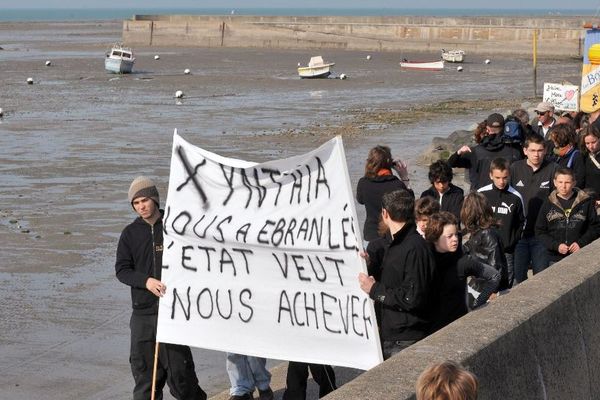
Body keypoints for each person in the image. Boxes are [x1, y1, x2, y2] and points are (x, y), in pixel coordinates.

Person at [115, 176, 207, 400]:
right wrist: (145, 281)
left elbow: (198, 259)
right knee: (145, 376)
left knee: (182, 376)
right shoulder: (129, 233)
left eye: (145, 200)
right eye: (136, 203)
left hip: (173, 311)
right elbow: (122, 270)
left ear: (155, 199)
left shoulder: (175, 226)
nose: (141, 207)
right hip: (143, 314)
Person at [358, 189, 436, 359]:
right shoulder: (396, 244)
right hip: (395, 331)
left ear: (385, 213)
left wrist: (374, 289)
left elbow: (412, 297)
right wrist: (370, 265)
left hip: (405, 337)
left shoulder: (414, 247)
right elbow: (395, 279)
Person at [425, 212, 500, 333]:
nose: (455, 239)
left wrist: (477, 303)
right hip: (430, 328)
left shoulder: (462, 262)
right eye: (449, 236)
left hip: (456, 326)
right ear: (435, 238)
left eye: (456, 235)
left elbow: (494, 276)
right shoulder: (424, 258)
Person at [509, 134, 558, 284]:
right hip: (519, 235)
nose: (536, 154)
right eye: (532, 150)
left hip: (542, 235)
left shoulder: (553, 168)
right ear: (525, 151)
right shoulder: (515, 168)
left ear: (545, 151)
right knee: (518, 279)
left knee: (541, 278)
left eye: (540, 150)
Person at [477, 158, 525, 288]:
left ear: (508, 175)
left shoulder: (516, 197)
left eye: (504, 178)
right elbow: (473, 218)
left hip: (506, 251)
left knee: (505, 284)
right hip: (484, 249)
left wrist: (512, 241)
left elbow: (522, 222)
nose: (501, 181)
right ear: (490, 175)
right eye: (497, 177)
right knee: (482, 283)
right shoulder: (481, 194)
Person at [535, 168, 599, 265]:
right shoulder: (548, 203)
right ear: (555, 182)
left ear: (574, 183)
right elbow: (540, 231)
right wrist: (556, 246)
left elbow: (595, 227)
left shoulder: (586, 202)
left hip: (580, 255)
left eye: (567, 182)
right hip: (554, 257)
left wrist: (581, 243)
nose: (563, 186)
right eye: (560, 182)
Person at [448, 113, 522, 191]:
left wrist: (458, 153)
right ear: (504, 128)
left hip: (481, 197)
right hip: (507, 195)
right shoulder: (515, 150)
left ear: (487, 129)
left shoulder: (475, 151)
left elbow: (451, 163)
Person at [356, 145, 412, 243]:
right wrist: (404, 177)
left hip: (370, 235)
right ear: (390, 164)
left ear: (370, 162)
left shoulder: (363, 183)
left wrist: (368, 172)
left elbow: (360, 200)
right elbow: (410, 204)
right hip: (391, 235)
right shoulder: (397, 184)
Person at [460, 193, 508, 301]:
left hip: (486, 288)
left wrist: (490, 292)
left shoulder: (487, 234)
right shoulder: (479, 232)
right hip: (479, 283)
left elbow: (496, 265)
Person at [580, 124, 600, 197]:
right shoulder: (583, 156)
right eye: (587, 143)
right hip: (588, 197)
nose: (591, 146)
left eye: (593, 142)